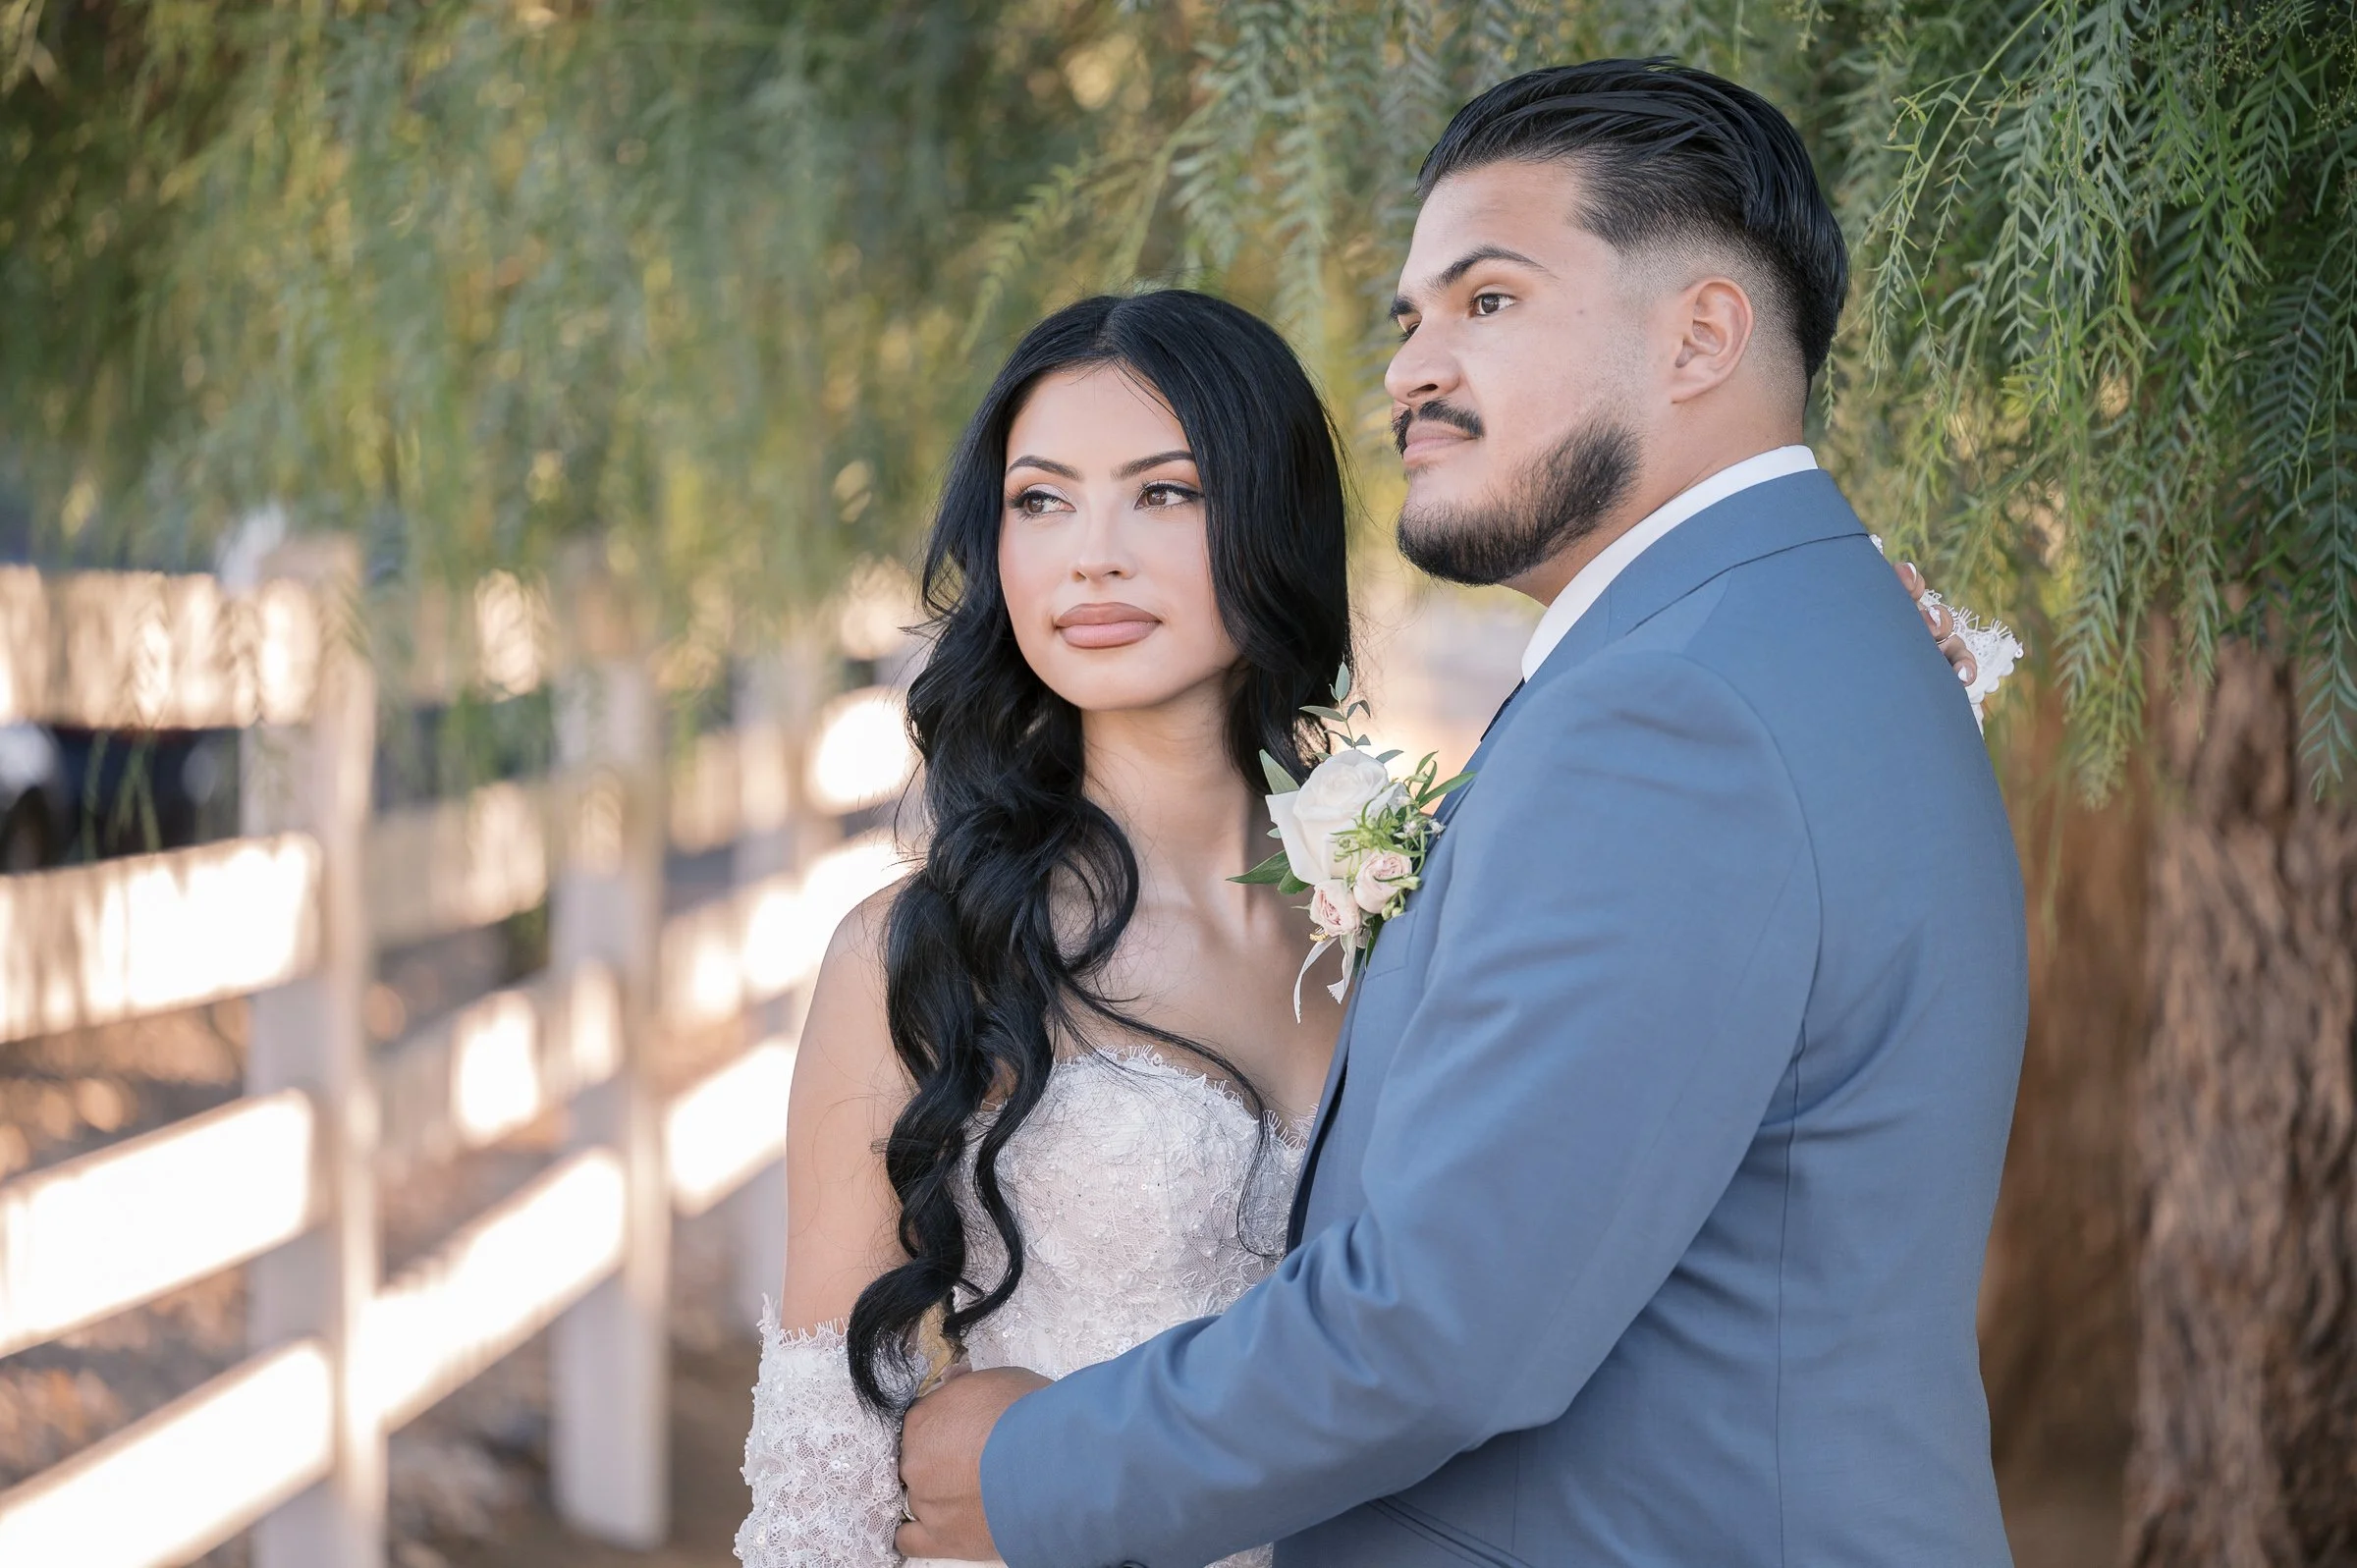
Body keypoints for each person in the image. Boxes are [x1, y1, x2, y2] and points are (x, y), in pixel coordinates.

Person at [892, 58, 2029, 1568]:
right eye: (1409, 319)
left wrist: (1037, 1473)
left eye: (1489, 301)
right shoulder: (1821, 635)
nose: (1414, 369)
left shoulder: (1671, 711)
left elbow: (1448, 1326)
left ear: (1701, 336)